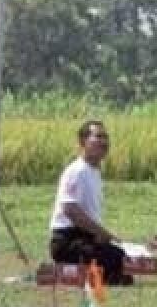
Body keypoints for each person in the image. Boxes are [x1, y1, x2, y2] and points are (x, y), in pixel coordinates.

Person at [48, 121, 131, 286]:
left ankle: (88, 274)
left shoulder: (94, 172)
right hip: (68, 241)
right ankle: (70, 272)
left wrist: (100, 236)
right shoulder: (77, 171)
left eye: (106, 137)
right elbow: (70, 210)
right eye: (98, 137)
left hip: (85, 238)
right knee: (115, 259)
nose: (104, 142)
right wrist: (101, 233)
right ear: (83, 142)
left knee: (120, 258)